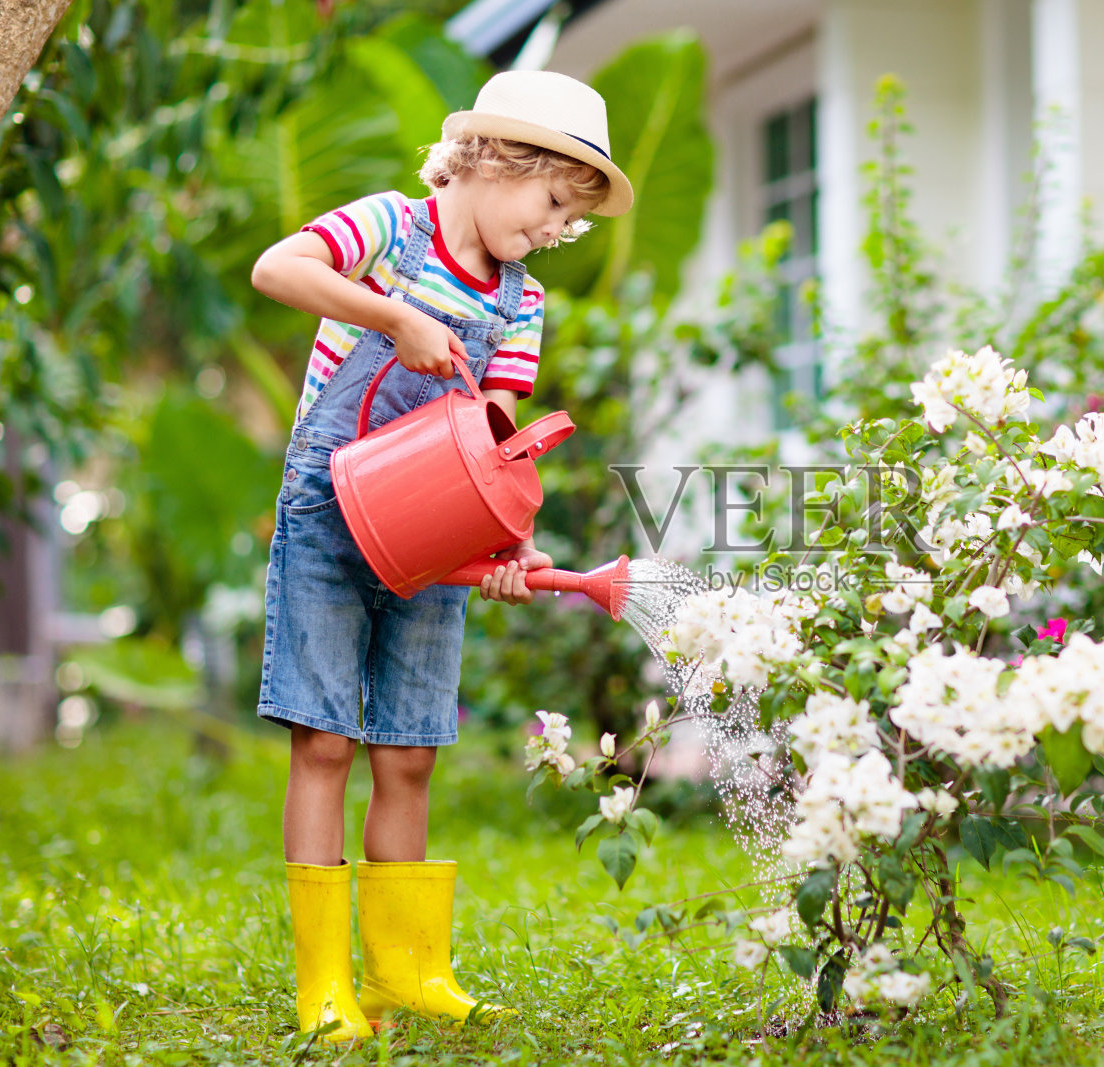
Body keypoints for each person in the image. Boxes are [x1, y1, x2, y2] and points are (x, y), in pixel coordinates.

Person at [249, 70, 633, 1043]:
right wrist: (393, 316)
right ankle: (324, 986)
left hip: (437, 532)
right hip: (328, 514)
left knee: (410, 750)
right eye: (553, 202)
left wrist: (508, 544)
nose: (555, 229)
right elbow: (277, 268)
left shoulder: (521, 301)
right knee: (324, 740)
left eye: (570, 220)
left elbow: (495, 443)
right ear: (498, 159)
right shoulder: (391, 227)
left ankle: (406, 971)